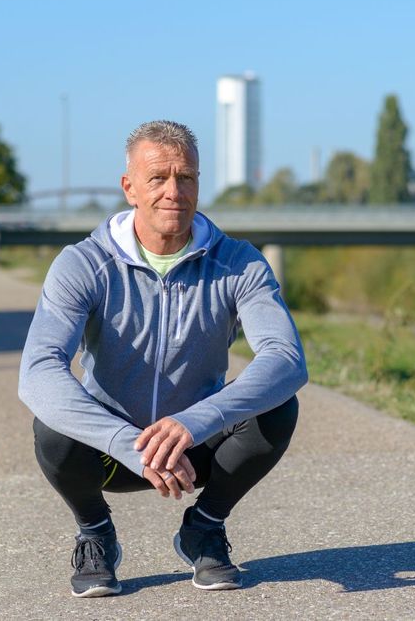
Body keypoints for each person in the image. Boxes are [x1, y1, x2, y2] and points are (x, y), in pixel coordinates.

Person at [18, 120, 308, 598]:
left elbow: (285, 358)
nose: (174, 191)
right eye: (158, 178)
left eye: (186, 177)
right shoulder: (83, 263)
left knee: (279, 404)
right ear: (130, 187)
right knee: (52, 424)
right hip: (112, 451)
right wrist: (127, 442)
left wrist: (196, 421)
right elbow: (38, 370)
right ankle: (94, 532)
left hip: (195, 448)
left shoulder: (239, 262)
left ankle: (205, 527)